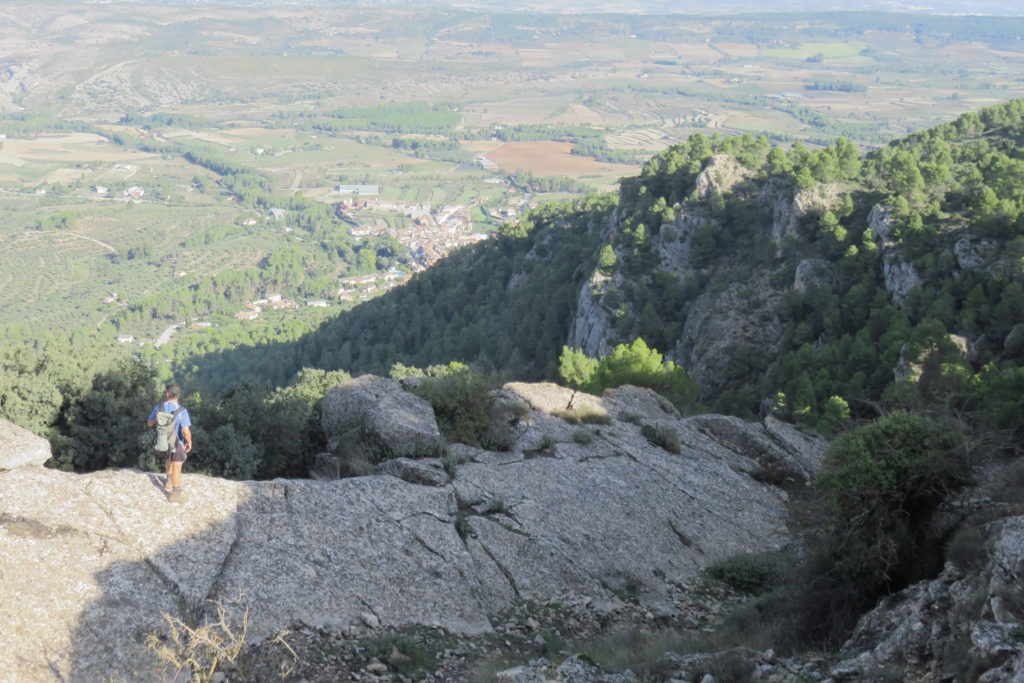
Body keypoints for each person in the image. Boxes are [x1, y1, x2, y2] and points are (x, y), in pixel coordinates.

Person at [147, 382, 193, 501]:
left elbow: (150, 423)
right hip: (176, 442)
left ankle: (168, 479)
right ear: (178, 395)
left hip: (162, 441)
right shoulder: (182, 411)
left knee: (168, 458)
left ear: (167, 394)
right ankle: (175, 493)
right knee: (177, 466)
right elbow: (186, 430)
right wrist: (189, 442)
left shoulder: (159, 406)